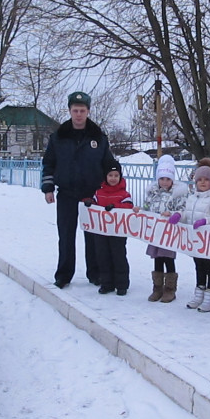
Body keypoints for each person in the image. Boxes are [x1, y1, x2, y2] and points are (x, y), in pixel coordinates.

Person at [41, 91, 115, 289]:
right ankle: (64, 275)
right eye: (75, 110)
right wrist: (48, 188)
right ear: (70, 111)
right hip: (66, 193)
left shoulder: (98, 137)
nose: (79, 114)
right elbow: (49, 163)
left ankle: (95, 273)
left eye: (82, 110)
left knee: (93, 237)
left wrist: (112, 190)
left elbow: (108, 164)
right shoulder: (58, 137)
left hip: (91, 194)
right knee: (65, 236)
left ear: (88, 111)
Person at [168, 158, 210, 312]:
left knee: (209, 267)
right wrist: (179, 215)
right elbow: (188, 213)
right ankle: (199, 293)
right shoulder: (192, 197)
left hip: (209, 241)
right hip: (195, 241)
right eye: (199, 179)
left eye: (206, 180)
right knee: (198, 266)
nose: (202, 183)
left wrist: (206, 221)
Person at [136, 155, 188, 303]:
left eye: (168, 179)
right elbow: (147, 207)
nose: (165, 182)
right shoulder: (152, 192)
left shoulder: (179, 193)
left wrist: (171, 214)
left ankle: (170, 289)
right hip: (155, 232)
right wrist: (140, 210)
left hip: (169, 233)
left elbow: (183, 210)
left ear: (172, 180)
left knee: (168, 258)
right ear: (158, 179)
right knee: (157, 259)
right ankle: (157, 287)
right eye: (162, 179)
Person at [86, 160, 134, 296]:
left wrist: (115, 206)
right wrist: (89, 202)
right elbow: (94, 203)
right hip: (101, 231)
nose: (113, 178)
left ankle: (121, 284)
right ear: (105, 177)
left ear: (120, 177)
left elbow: (128, 207)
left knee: (118, 256)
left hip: (118, 232)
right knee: (103, 257)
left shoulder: (124, 194)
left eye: (116, 175)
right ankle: (107, 283)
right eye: (110, 175)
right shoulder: (99, 192)